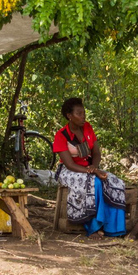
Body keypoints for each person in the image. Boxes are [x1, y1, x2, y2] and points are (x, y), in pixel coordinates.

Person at [53, 97, 127, 239]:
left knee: (115, 182)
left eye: (84, 113)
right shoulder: (61, 135)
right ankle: (93, 227)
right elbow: (69, 164)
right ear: (69, 116)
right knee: (94, 183)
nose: (83, 117)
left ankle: (113, 228)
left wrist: (94, 167)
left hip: (89, 168)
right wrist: (91, 171)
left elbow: (96, 153)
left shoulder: (88, 128)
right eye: (79, 114)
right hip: (69, 171)